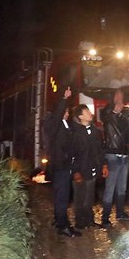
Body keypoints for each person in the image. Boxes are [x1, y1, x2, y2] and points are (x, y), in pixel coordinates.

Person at [42, 86, 80, 237]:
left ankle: (60, 220)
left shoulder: (66, 125)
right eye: (64, 109)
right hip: (60, 166)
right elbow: (58, 115)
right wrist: (64, 99)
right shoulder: (53, 125)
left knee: (62, 196)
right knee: (62, 197)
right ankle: (63, 225)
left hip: (66, 166)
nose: (67, 111)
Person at [100, 88, 129, 225]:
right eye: (117, 95)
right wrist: (115, 112)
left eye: (122, 95)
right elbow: (107, 121)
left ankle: (120, 213)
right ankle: (105, 217)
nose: (120, 98)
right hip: (112, 155)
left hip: (124, 155)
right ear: (113, 97)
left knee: (122, 187)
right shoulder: (107, 112)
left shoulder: (124, 114)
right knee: (110, 188)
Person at [69, 104, 106, 229]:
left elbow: (100, 150)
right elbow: (72, 153)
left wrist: (103, 165)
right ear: (80, 116)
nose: (90, 113)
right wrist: (75, 171)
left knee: (89, 196)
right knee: (79, 196)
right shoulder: (75, 132)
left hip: (92, 168)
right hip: (80, 169)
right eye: (87, 111)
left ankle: (90, 220)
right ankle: (80, 222)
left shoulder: (95, 131)